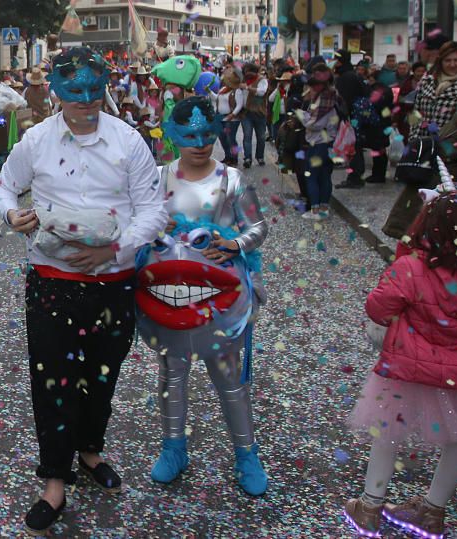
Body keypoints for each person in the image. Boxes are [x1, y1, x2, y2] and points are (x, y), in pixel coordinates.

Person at [0, 46, 167, 536]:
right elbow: (2, 187)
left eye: (94, 91)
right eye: (75, 93)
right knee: (54, 382)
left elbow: (153, 210)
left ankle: (90, 451)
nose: (87, 101)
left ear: (105, 86)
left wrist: (115, 251)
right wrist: (11, 213)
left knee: (100, 377)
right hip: (53, 282)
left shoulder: (129, 141)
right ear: (56, 93)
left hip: (113, 283)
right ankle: (53, 480)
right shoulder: (36, 141)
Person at [143, 96, 269, 496]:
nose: (199, 143)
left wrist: (235, 244)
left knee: (229, 378)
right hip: (168, 294)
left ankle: (246, 453)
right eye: (189, 135)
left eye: (207, 134)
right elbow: (139, 223)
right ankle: (173, 447)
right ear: (173, 134)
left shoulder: (231, 179)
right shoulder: (158, 177)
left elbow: (258, 226)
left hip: (222, 299)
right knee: (172, 374)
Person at [343, 176, 457, 538]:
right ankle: (432, 512)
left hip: (404, 371)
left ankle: (369, 506)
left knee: (388, 433)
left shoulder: (411, 268)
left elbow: (377, 308)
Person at [383, 41, 457, 240]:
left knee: (447, 201)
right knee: (417, 194)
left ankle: (440, 243)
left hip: (453, 152)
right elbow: (415, 112)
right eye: (448, 60)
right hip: (426, 147)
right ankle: (408, 236)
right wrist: (414, 141)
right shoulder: (428, 81)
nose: (453, 64)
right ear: (441, 62)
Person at [295, 63, 340, 220]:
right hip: (329, 143)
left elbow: (314, 124)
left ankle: (315, 210)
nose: (311, 89)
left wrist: (301, 114)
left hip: (319, 143)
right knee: (325, 176)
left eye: (313, 86)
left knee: (312, 175)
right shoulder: (332, 98)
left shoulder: (324, 101)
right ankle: (323, 208)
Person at [214, 68, 245, 166]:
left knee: (230, 138)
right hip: (220, 117)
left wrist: (233, 114)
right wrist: (209, 92)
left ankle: (234, 158)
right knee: (222, 138)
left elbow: (240, 104)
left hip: (231, 119)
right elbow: (216, 98)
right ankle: (228, 156)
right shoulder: (223, 90)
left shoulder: (237, 91)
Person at [240, 63, 269, 167]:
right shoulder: (243, 81)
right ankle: (247, 158)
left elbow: (262, 92)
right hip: (246, 113)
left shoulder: (262, 80)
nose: (247, 74)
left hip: (259, 113)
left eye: (249, 72)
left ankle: (260, 157)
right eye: (245, 72)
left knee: (261, 137)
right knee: (247, 136)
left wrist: (247, 88)